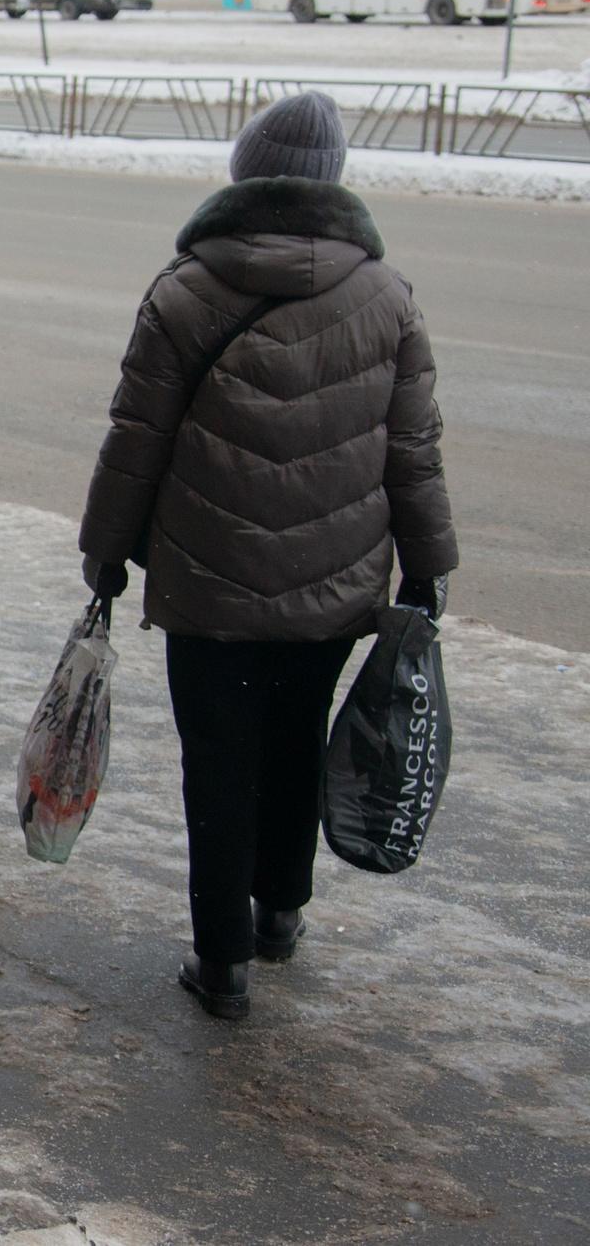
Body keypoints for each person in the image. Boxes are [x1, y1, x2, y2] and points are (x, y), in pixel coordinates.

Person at [77, 90, 455, 1024]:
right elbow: (413, 449)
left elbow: (138, 440)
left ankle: (223, 964)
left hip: (208, 586)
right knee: (294, 745)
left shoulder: (182, 292)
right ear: (330, 180)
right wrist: (427, 564)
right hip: (333, 589)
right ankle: (281, 912)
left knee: (217, 763)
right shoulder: (386, 296)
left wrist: (106, 555)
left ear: (245, 172)